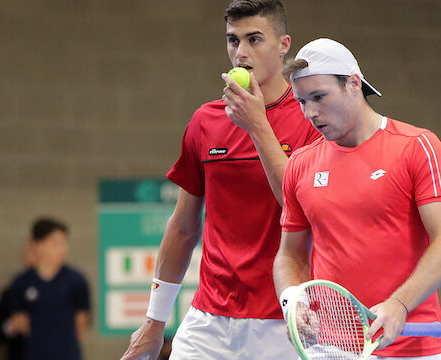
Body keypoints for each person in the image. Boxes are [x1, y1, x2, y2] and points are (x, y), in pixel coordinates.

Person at [120, 1, 320, 359]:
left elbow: (301, 209)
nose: (240, 53)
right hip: (207, 324)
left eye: (254, 39)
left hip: (283, 324)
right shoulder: (205, 121)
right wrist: (154, 321)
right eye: (233, 40)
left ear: (283, 44)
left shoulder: (312, 122)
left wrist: (257, 124)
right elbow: (182, 228)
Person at [273, 38, 441, 359]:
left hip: (412, 348)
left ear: (353, 84)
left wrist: (400, 304)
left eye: (319, 96)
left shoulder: (418, 146)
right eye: (302, 101)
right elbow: (289, 256)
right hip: (329, 348)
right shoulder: (300, 164)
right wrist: (293, 302)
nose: (310, 113)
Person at [7, 218, 91, 360]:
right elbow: (20, 321)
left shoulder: (76, 280)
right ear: (38, 245)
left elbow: (81, 324)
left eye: (64, 243)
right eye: (55, 244)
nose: (62, 249)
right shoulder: (22, 282)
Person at [0, 241, 37, 360]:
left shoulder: (62, 291)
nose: (33, 258)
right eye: (29, 253)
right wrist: (12, 326)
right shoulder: (12, 291)